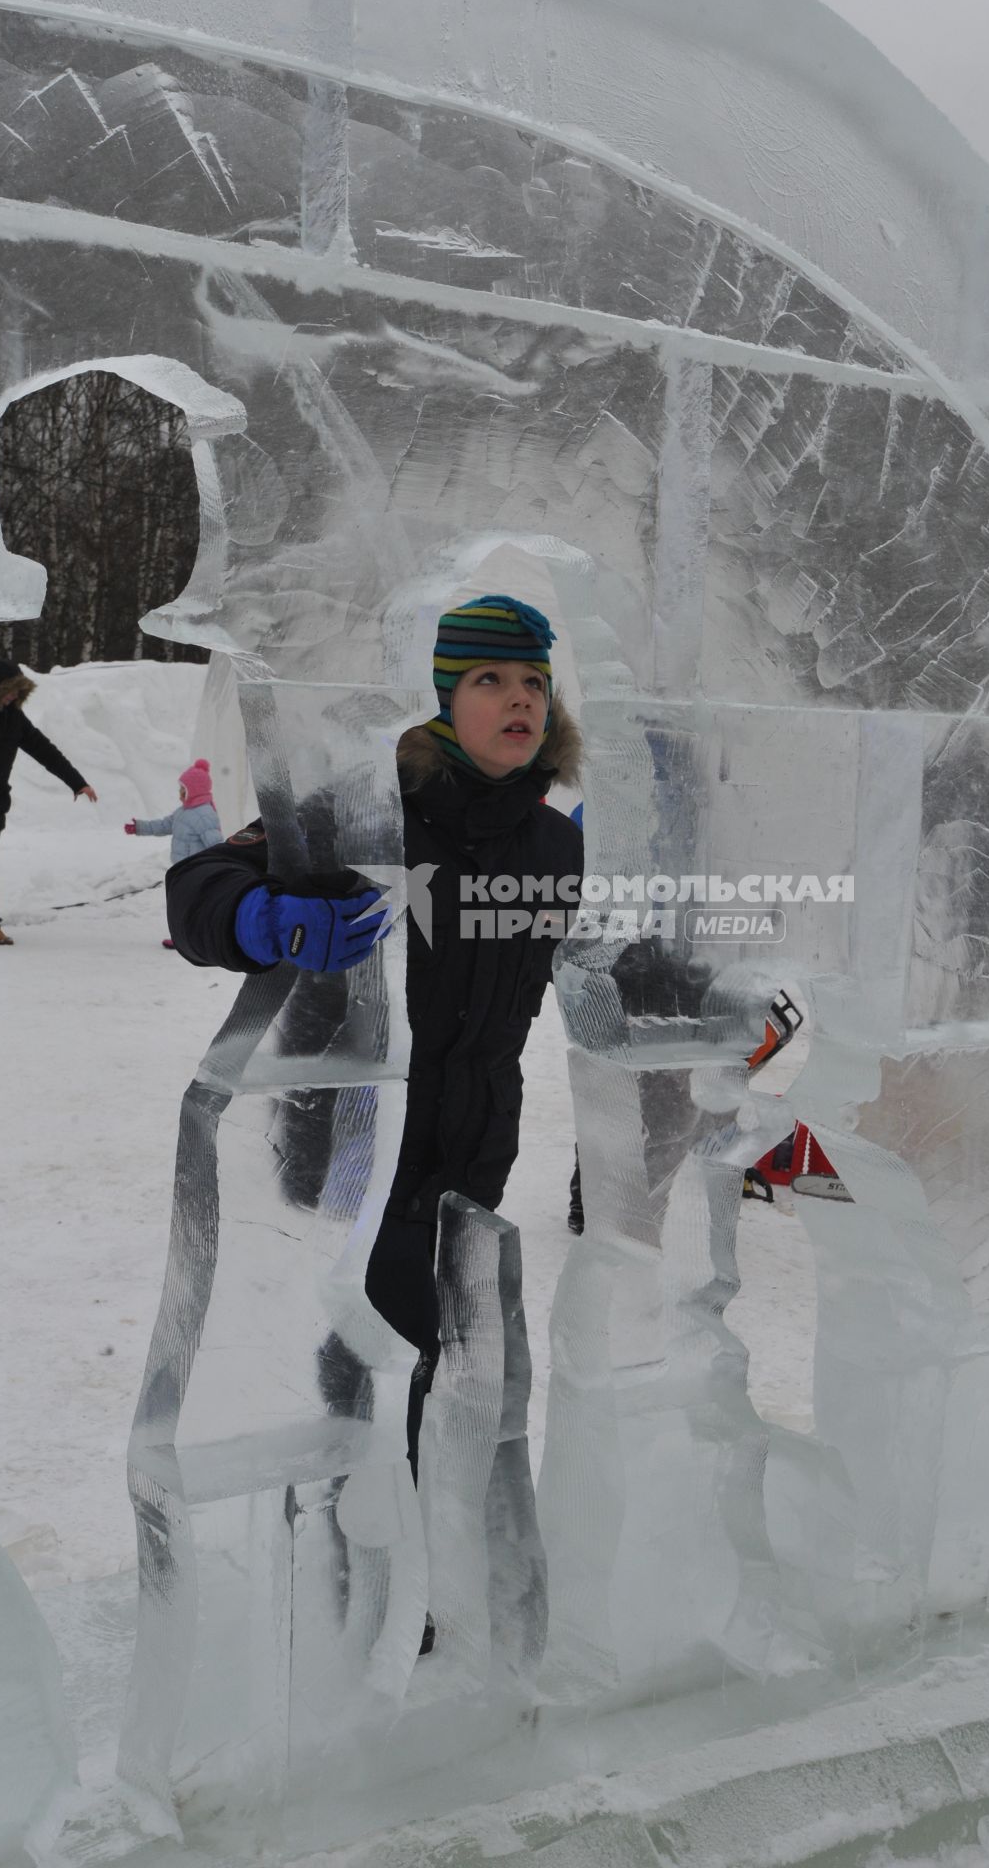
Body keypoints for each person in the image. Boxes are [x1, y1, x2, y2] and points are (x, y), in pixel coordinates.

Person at [162, 595, 583, 1486]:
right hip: (354, 1150)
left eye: (534, 684)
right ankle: (348, 1575)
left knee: (442, 1365)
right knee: (357, 1370)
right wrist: (261, 915)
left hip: (472, 1153)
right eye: (489, 680)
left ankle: (412, 1550)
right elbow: (198, 886)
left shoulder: (553, 844)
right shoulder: (358, 812)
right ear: (433, 703)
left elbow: (591, 960)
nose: (521, 701)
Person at [0, 658, 98, 946]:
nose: (13, 698)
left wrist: (77, 782)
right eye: (9, 692)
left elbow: (45, 751)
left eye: (18, 693)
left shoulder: (14, 720)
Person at [124, 759, 224, 946]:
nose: (179, 793)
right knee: (180, 906)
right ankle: (183, 938)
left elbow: (216, 845)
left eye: (183, 789)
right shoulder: (183, 812)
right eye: (180, 789)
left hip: (196, 872)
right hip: (182, 870)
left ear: (195, 790)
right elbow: (163, 825)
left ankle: (195, 939)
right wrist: (139, 827)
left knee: (190, 906)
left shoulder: (204, 815)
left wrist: (218, 871)